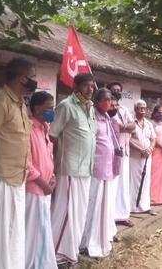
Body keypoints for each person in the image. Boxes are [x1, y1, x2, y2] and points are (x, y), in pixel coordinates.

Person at [0, 58, 37, 269]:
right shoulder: (0, 102)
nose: (35, 81)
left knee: (13, 231)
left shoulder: (20, 103)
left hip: (16, 177)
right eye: (33, 76)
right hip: (0, 177)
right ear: (23, 78)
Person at [49, 73, 96, 265]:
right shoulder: (66, 106)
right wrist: (51, 165)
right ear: (75, 86)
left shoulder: (90, 107)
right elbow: (51, 136)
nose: (90, 89)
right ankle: (54, 253)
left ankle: (70, 251)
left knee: (79, 213)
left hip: (86, 169)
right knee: (65, 210)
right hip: (69, 168)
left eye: (92, 86)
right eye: (86, 86)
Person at [81, 88, 118, 258]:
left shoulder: (107, 118)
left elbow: (110, 140)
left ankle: (99, 239)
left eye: (111, 99)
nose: (110, 102)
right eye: (107, 99)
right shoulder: (93, 116)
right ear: (97, 101)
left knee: (103, 206)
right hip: (96, 169)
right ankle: (86, 242)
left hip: (107, 169)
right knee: (92, 206)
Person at [24, 91, 57, 269]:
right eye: (49, 108)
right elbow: (25, 162)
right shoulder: (28, 128)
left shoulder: (45, 128)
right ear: (37, 108)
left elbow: (48, 156)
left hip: (45, 189)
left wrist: (52, 177)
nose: (52, 112)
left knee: (43, 231)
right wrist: (41, 182)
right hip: (34, 189)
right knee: (30, 233)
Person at [107, 82, 136, 227]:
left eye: (119, 90)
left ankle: (122, 215)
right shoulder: (106, 109)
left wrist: (123, 126)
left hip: (124, 150)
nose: (117, 92)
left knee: (123, 184)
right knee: (111, 185)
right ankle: (109, 217)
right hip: (111, 152)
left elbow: (133, 126)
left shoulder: (124, 109)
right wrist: (125, 127)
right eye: (114, 90)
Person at [129, 100, 156, 214]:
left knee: (145, 181)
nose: (143, 110)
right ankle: (132, 207)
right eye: (140, 108)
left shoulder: (149, 124)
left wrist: (150, 149)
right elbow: (128, 139)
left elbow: (153, 138)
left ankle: (144, 206)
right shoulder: (131, 122)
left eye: (145, 108)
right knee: (133, 182)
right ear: (135, 109)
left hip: (147, 157)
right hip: (134, 157)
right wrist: (141, 149)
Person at [150, 105, 162, 206]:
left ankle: (161, 198)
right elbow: (153, 138)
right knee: (154, 175)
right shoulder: (151, 124)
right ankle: (152, 198)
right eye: (159, 112)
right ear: (154, 113)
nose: (161, 114)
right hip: (156, 151)